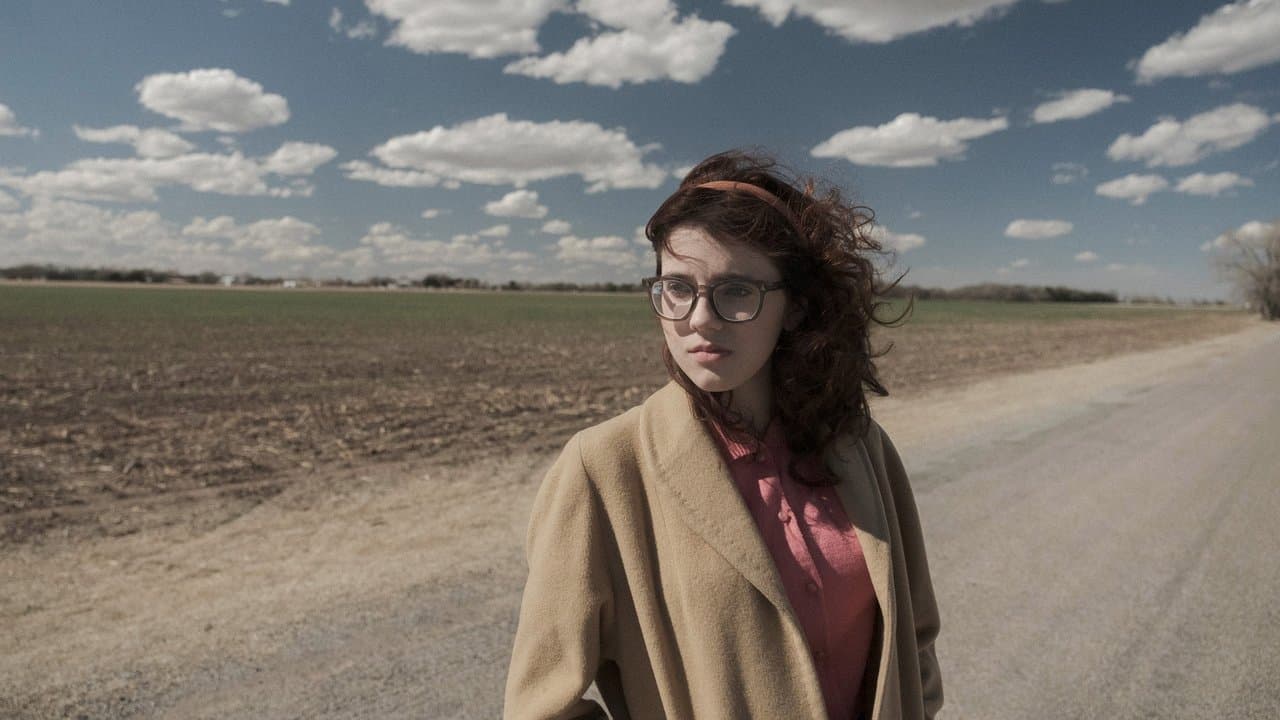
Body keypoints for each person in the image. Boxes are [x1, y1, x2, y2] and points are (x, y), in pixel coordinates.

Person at [504, 150, 942, 720]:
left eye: (736, 290)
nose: (699, 319)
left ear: (795, 308)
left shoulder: (860, 447)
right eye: (677, 287)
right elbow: (540, 706)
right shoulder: (604, 468)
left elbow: (915, 636)